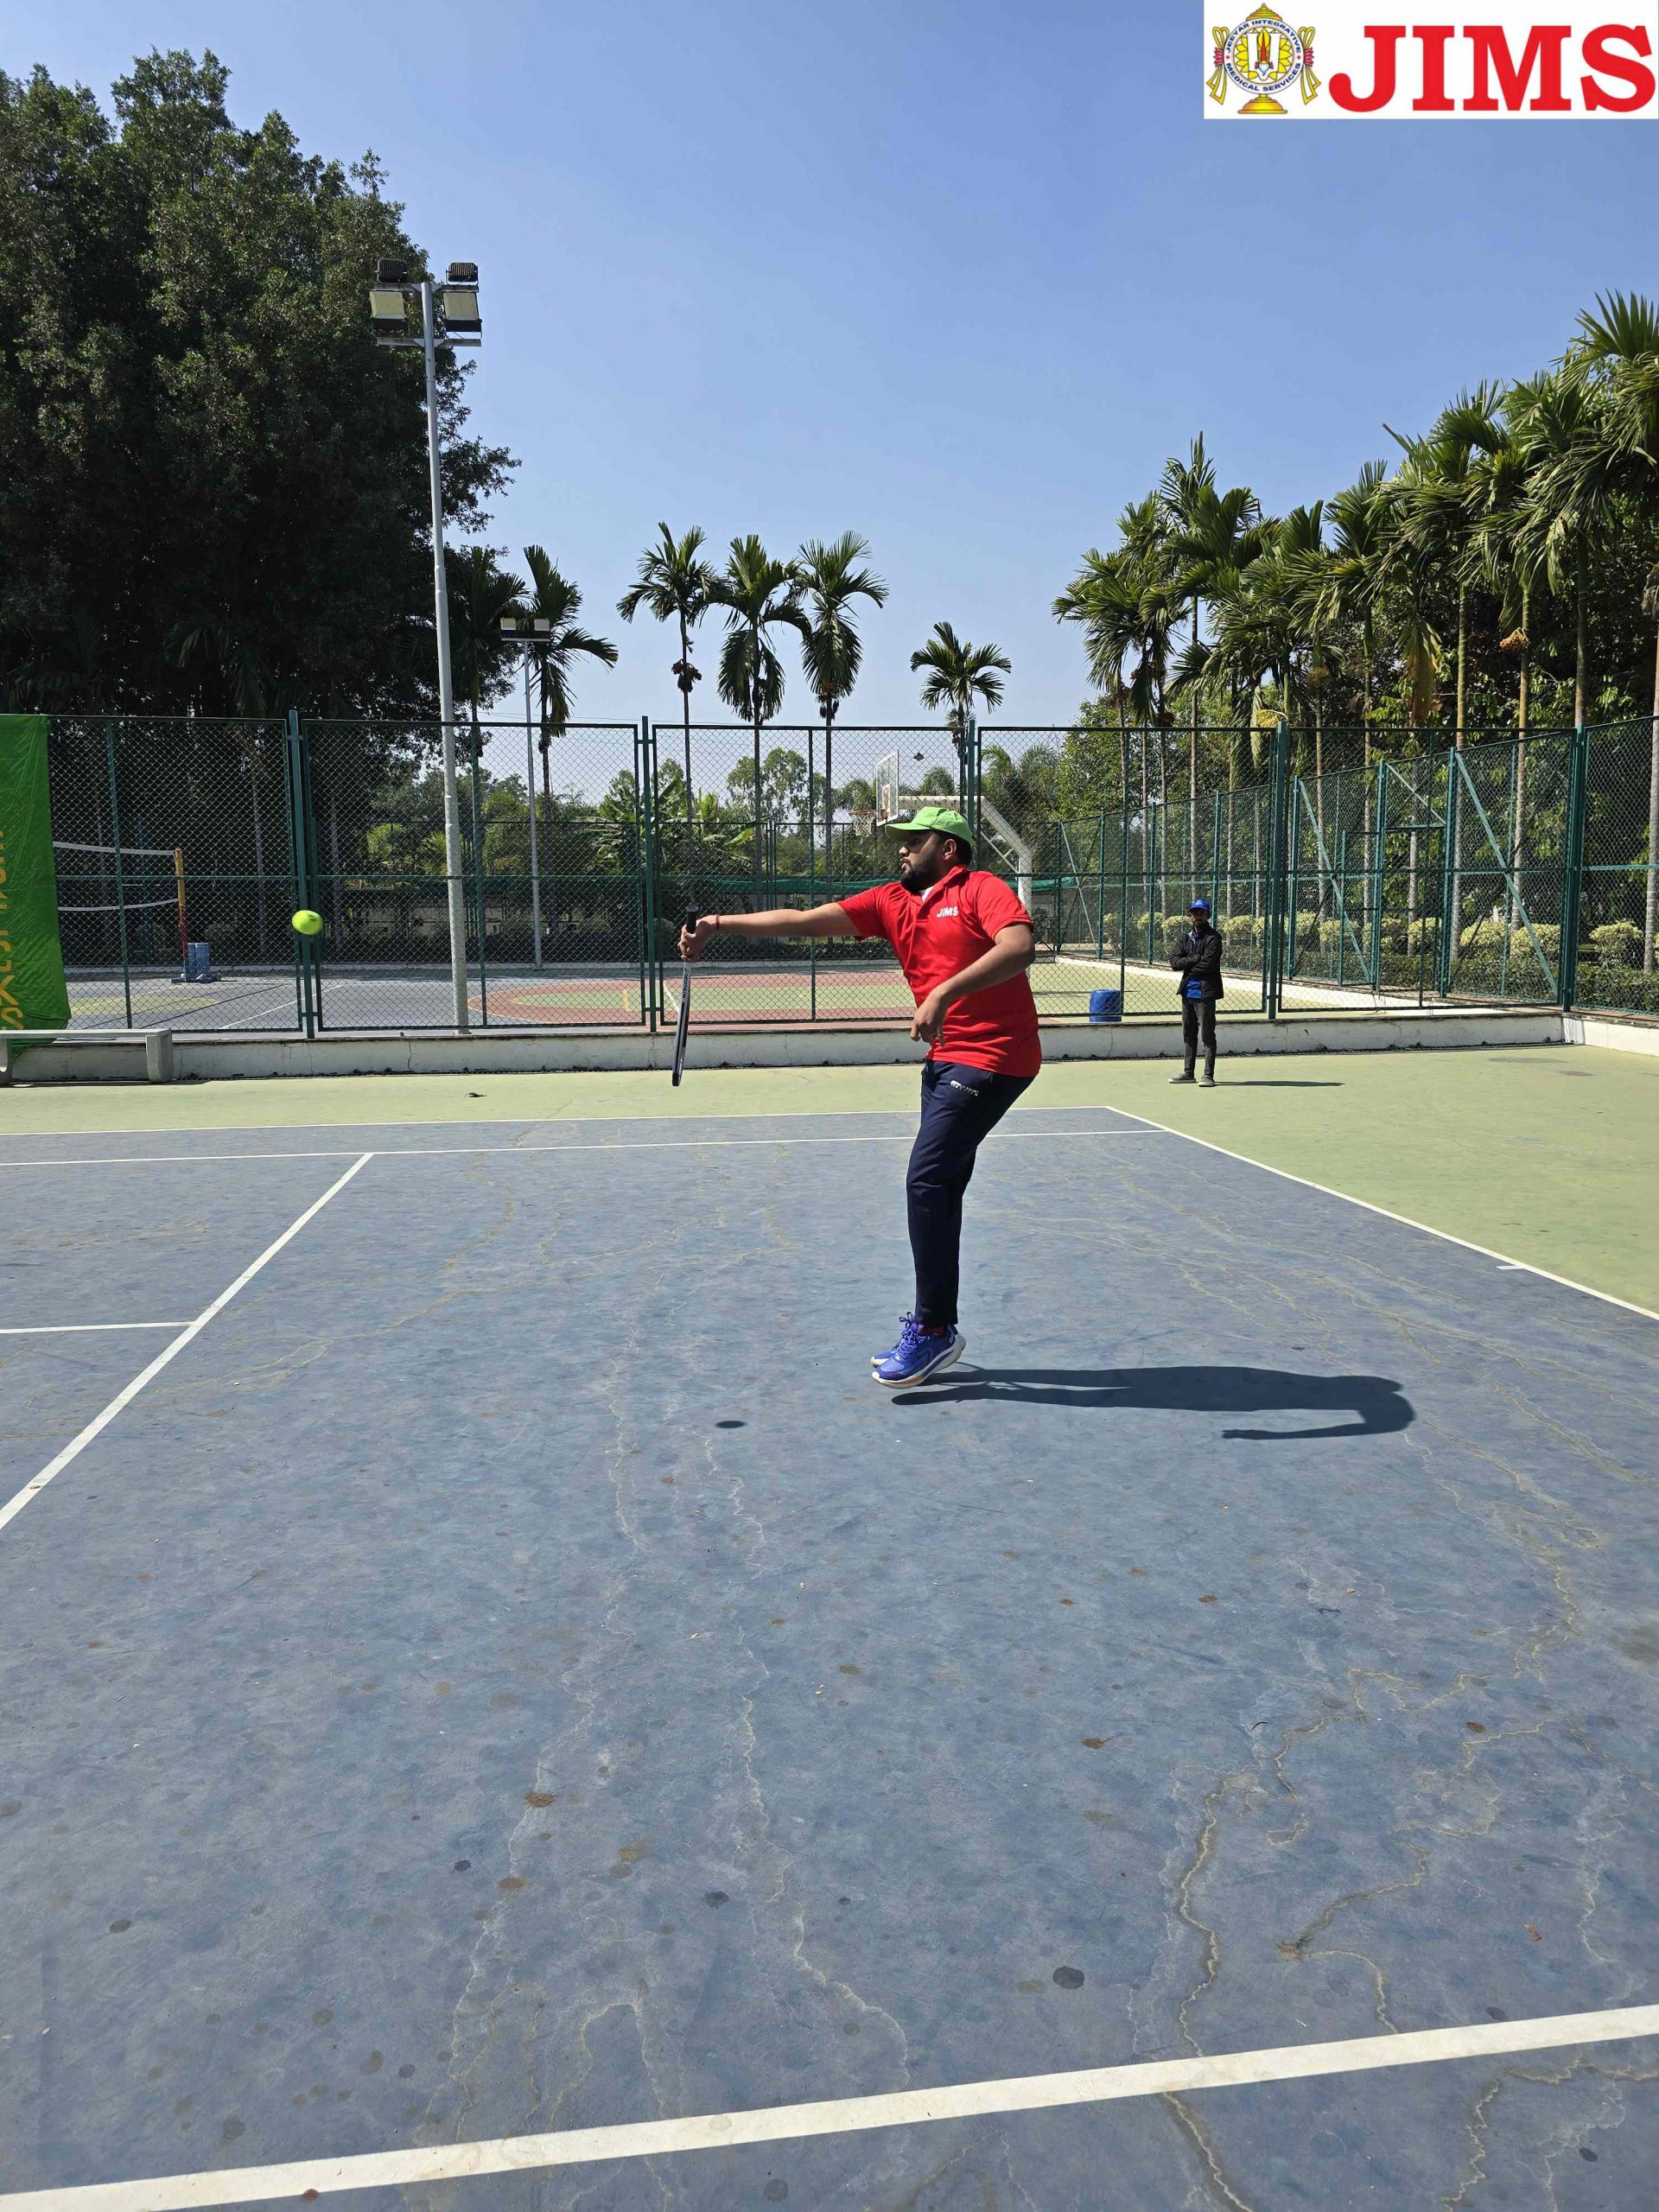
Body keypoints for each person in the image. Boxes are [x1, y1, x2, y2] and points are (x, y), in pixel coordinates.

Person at [679, 805, 1039, 1388]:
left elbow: (1019, 946)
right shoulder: (891, 902)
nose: (902, 849)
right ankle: (938, 1324)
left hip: (996, 1056)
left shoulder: (980, 889)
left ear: (947, 848)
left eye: (914, 840)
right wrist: (717, 924)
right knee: (942, 1188)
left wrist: (943, 993)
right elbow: (802, 920)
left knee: (926, 1180)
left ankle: (933, 1328)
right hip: (944, 1059)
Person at [1170, 896, 1224, 1086]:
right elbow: (1174, 963)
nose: (1198, 916)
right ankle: (1188, 1073)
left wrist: (1187, 965)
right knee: (1189, 1033)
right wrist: (1193, 959)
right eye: (1194, 912)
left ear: (1208, 915)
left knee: (1207, 1035)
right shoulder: (1184, 938)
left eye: (1202, 912)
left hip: (1205, 994)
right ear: (1190, 915)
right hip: (1187, 993)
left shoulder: (1214, 938)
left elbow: (1208, 965)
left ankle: (1208, 1075)